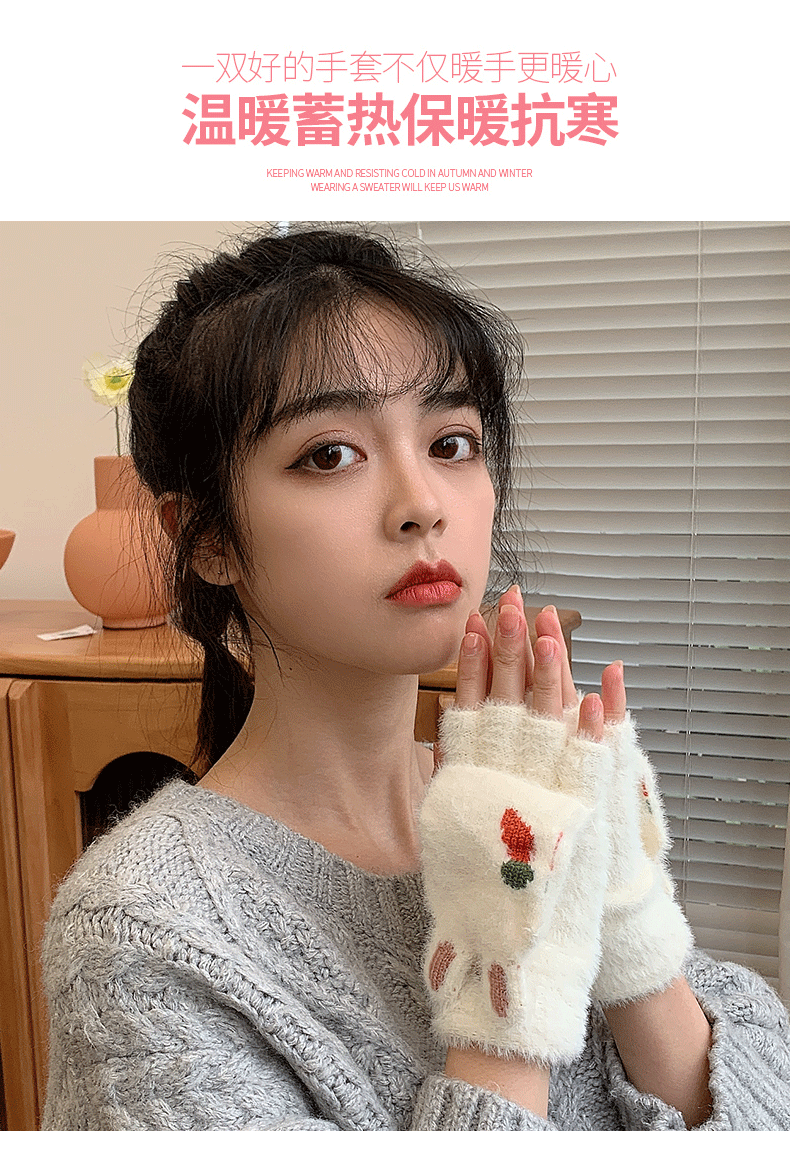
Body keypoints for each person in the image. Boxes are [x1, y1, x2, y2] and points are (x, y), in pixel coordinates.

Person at [42, 226, 790, 1130]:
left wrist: (630, 921)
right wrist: (500, 976)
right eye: (329, 454)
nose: (423, 504)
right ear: (206, 539)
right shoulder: (143, 932)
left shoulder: (524, 796)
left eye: (452, 442)